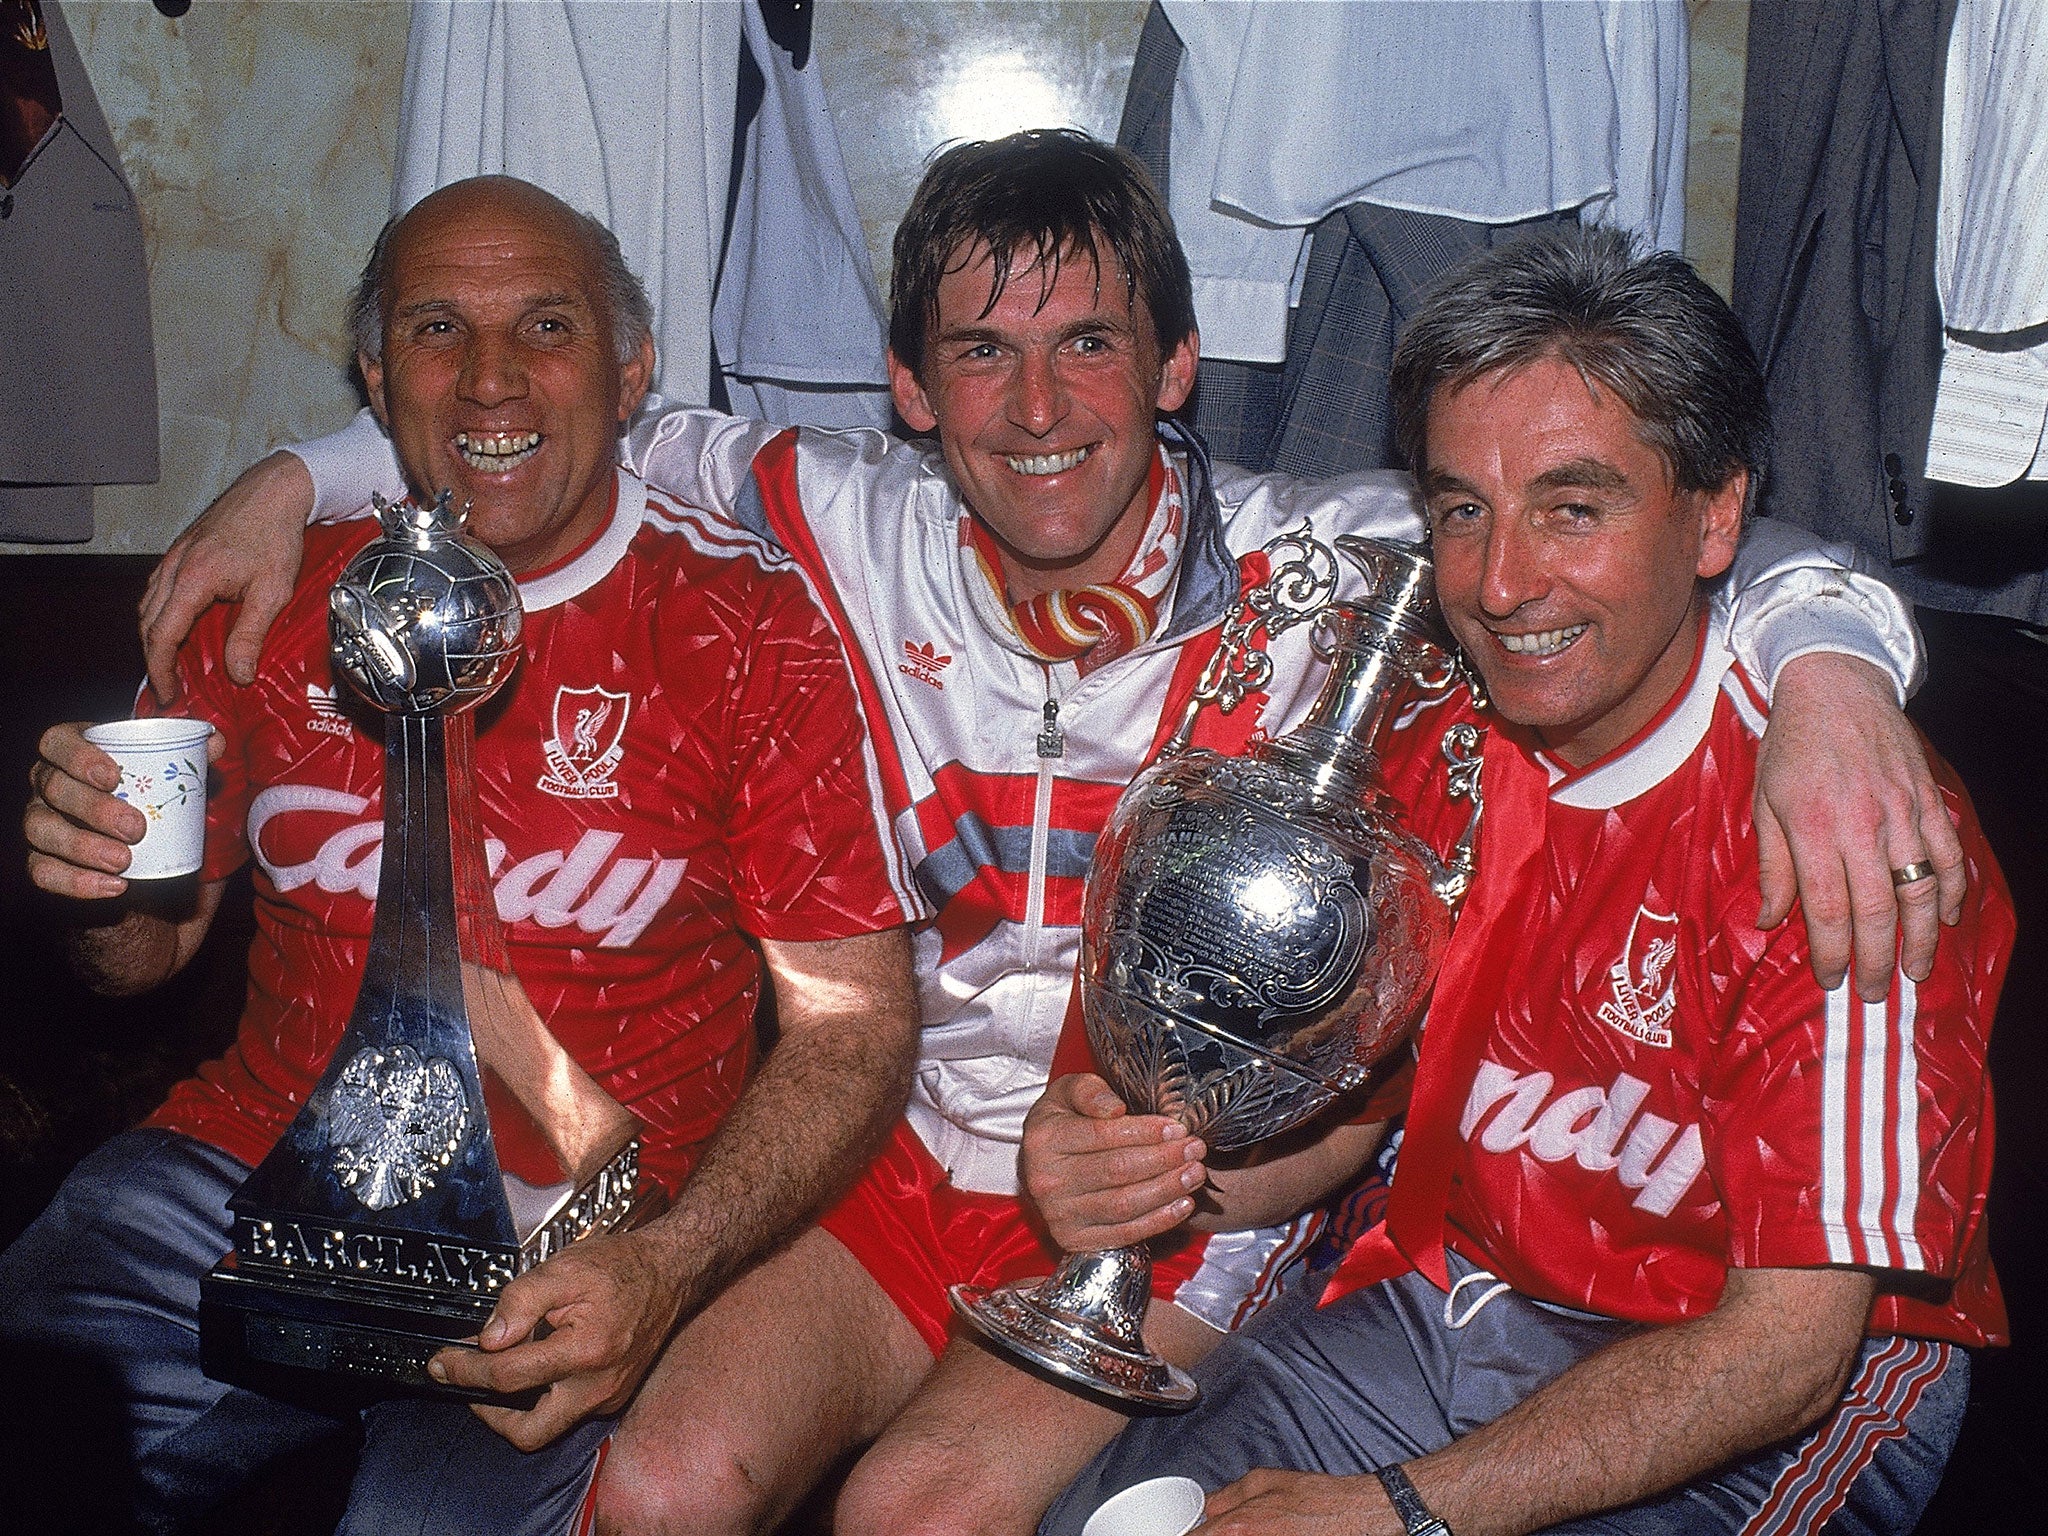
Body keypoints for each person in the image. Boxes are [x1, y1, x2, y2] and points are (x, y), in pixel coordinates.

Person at [136, 134, 1958, 1536]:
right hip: (905, 1158)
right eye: (979, 355)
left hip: (1173, 1211)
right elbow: (550, 424)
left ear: (1174, 361)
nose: (1035, 410)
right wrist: (291, 480)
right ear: (909, 390)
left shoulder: (1338, 562)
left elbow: (1649, 537)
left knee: (913, 1513)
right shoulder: (828, 510)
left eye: (1089, 343)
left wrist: (1832, 684)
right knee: (665, 1488)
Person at [1035, 226, 2008, 1536]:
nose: (1499, 584)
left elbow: (1789, 1350)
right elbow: (1366, 1113)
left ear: (1717, 515)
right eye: (1462, 511)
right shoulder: (1444, 741)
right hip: (1472, 1301)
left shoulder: (1837, 822)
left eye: (1574, 507)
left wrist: (1399, 1513)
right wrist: (1133, 1170)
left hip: (1782, 1379)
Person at [9, 175, 920, 1534]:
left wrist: (669, 1268)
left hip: (579, 1230)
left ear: (631, 371)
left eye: (547, 327)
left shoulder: (748, 633)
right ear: (376, 376)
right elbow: (143, 960)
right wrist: (90, 888)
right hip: (241, 1176)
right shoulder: (267, 601)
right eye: (438, 331)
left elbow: (855, 1030)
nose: (491, 380)